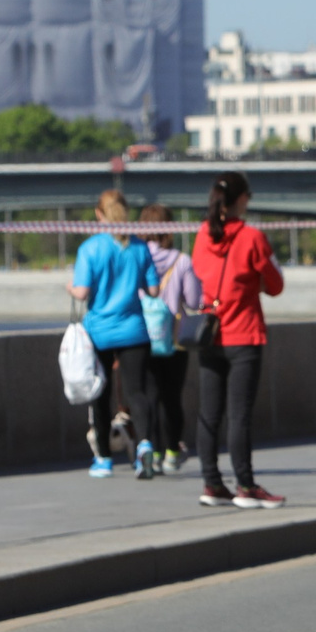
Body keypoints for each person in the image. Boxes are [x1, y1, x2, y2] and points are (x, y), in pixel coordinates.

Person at [192, 172, 288, 506]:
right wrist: (253, 285)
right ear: (242, 199)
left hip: (208, 335)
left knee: (209, 413)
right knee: (239, 415)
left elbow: (198, 277)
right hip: (243, 335)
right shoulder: (252, 237)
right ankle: (246, 486)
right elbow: (276, 285)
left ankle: (212, 484)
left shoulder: (202, 234)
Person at [71, 190, 161, 479]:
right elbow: (154, 291)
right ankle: (145, 445)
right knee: (137, 392)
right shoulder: (139, 247)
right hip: (134, 330)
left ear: (99, 214)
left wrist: (68, 289)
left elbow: (82, 292)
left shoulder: (90, 248)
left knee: (101, 395)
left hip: (99, 333)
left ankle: (104, 460)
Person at [137, 203, 200, 477]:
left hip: (142, 337)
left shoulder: (136, 258)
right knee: (172, 397)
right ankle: (173, 453)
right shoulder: (182, 260)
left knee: (148, 396)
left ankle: (153, 451)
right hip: (174, 340)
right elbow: (195, 300)